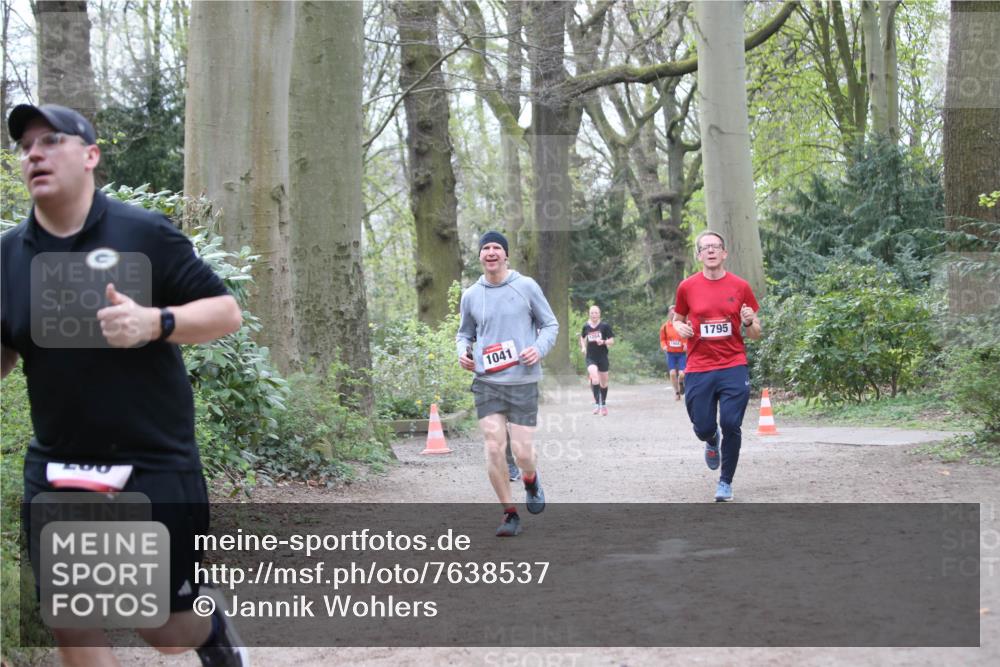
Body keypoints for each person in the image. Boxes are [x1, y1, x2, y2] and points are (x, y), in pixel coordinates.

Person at [2, 104, 247, 666]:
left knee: (164, 631)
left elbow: (227, 312)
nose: (33, 152)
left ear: (90, 156)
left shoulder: (142, 233)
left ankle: (210, 631)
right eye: (25, 146)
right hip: (58, 464)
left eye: (51, 140)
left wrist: (156, 322)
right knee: (71, 620)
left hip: (152, 458)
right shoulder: (7, 257)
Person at [456, 231, 558, 537]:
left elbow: (550, 324)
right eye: (485, 248)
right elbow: (464, 334)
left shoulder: (525, 286)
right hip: (487, 380)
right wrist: (462, 352)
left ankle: (530, 478)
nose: (490, 252)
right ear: (479, 256)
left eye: (496, 248)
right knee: (493, 446)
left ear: (506, 255)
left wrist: (537, 349)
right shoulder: (471, 294)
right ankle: (509, 514)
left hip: (523, 380)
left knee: (524, 452)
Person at [672, 231, 761, 502]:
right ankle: (712, 440)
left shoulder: (740, 286)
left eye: (716, 247)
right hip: (699, 366)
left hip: (733, 363)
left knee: (732, 423)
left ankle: (725, 482)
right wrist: (680, 328)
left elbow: (756, 332)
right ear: (699, 255)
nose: (711, 251)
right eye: (705, 247)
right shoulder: (687, 287)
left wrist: (748, 322)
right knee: (703, 427)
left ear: (724, 253)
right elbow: (676, 319)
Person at [579, 305, 614, 415]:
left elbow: (612, 341)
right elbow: (582, 337)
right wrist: (584, 347)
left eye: (596, 313)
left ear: (599, 314)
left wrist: (603, 342)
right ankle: (597, 403)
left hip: (602, 356)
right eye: (592, 313)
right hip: (591, 357)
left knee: (603, 383)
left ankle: (603, 404)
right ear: (589, 314)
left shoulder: (605, 326)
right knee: (594, 377)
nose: (594, 315)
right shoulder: (586, 327)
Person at [659, 305, 687, 401]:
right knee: (672, 374)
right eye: (671, 312)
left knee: (682, 374)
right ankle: (677, 392)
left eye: (674, 312)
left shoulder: (683, 325)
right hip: (671, 353)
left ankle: (681, 383)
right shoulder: (665, 327)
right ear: (668, 314)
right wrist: (664, 346)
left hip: (681, 354)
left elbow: (688, 336)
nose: (672, 314)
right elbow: (662, 340)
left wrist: (686, 344)